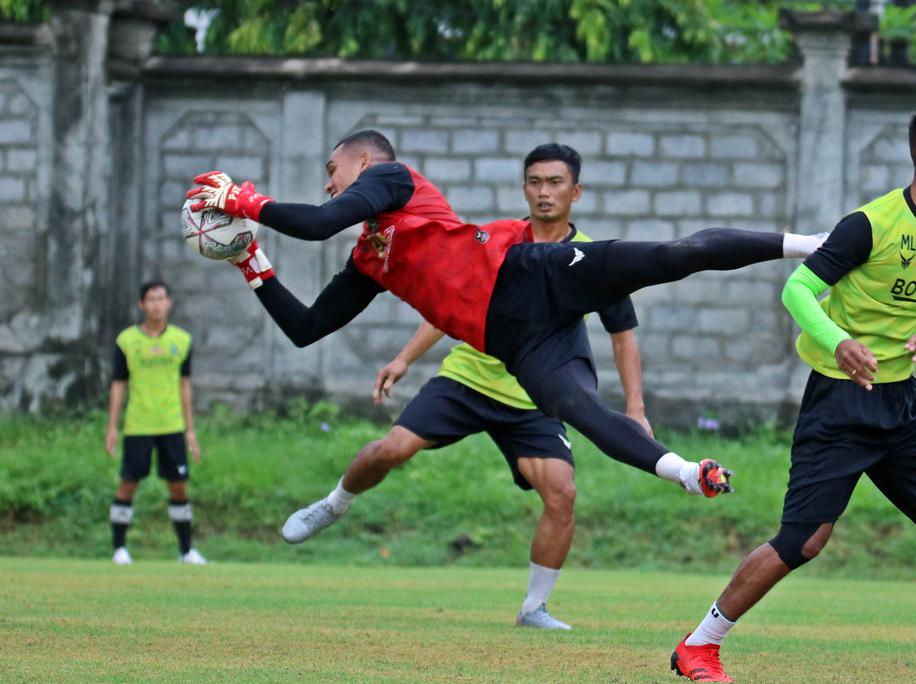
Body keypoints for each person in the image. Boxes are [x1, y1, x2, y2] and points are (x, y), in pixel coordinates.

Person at [185, 129, 824, 504]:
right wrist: (251, 261)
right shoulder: (370, 259)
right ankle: (687, 472)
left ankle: (814, 245)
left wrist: (242, 197)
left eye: (332, 170)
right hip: (512, 343)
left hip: (528, 278)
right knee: (581, 412)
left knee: (669, 256)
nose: (328, 185)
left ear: (363, 162)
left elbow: (319, 221)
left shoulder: (394, 181)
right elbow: (305, 329)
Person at [668, 102, 916, 684]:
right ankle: (699, 643)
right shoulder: (869, 225)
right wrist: (840, 341)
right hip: (839, 401)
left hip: (904, 402)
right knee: (804, 540)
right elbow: (798, 290)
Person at [281, 144, 650, 630]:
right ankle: (333, 505)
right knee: (392, 449)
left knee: (562, 493)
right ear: (525, 188)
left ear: (575, 192)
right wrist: (403, 359)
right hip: (469, 376)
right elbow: (451, 299)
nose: (544, 192)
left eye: (555, 183)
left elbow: (622, 334)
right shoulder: (500, 240)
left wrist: (636, 409)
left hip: (532, 395)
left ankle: (534, 608)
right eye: (535, 182)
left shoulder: (592, 258)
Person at [105, 280, 207, 565]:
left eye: (161, 298)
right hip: (138, 424)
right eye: (150, 299)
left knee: (179, 486)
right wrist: (112, 426)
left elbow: (185, 386)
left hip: (171, 424)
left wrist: (190, 430)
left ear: (169, 303)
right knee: (127, 485)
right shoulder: (126, 341)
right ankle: (119, 549)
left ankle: (186, 551)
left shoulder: (181, 340)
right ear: (141, 304)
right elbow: (118, 385)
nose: (156, 304)